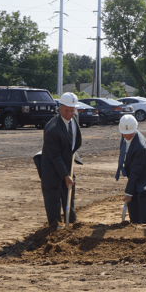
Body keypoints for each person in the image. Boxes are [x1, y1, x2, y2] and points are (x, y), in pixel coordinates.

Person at [38, 92, 82, 226]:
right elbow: (55, 156)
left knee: (69, 191)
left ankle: (71, 221)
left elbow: (72, 141)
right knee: (53, 196)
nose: (69, 113)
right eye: (66, 110)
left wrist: (68, 174)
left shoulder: (75, 116)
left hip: (67, 161)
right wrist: (65, 175)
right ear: (60, 108)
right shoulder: (52, 129)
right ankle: (55, 225)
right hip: (51, 167)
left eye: (72, 110)